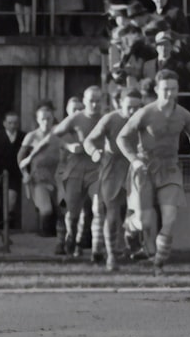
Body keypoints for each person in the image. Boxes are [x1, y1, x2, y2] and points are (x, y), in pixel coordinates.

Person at [117, 70, 190, 274]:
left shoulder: (184, 114)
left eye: (173, 89)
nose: (169, 93)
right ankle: (130, 226)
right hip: (144, 168)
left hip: (170, 168)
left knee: (170, 218)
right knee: (144, 221)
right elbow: (122, 138)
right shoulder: (145, 113)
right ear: (157, 90)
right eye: (165, 89)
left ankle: (159, 261)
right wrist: (134, 159)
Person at [83, 88, 144, 271]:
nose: (132, 111)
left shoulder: (144, 119)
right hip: (112, 168)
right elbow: (89, 141)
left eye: (136, 107)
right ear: (120, 103)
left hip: (135, 168)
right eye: (129, 107)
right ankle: (111, 256)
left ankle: (131, 244)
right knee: (111, 214)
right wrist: (94, 153)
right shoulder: (110, 119)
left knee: (139, 212)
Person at [49, 86, 103, 259]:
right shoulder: (76, 118)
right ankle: (71, 239)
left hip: (97, 170)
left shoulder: (105, 119)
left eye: (97, 101)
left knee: (97, 208)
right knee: (72, 214)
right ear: (85, 101)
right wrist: (69, 146)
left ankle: (96, 250)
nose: (94, 104)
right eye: (91, 101)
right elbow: (54, 134)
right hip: (75, 171)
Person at [17, 103, 62, 250]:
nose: (46, 122)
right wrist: (25, 173)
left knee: (61, 208)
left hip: (57, 176)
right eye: (42, 119)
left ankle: (58, 240)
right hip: (39, 177)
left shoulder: (58, 134)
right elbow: (20, 157)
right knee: (46, 210)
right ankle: (44, 240)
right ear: (37, 119)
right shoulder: (32, 136)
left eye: (48, 118)